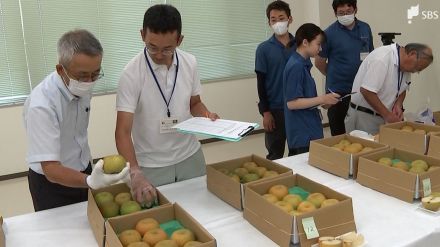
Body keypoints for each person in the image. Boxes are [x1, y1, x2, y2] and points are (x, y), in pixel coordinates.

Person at [115, 4, 219, 205]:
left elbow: (194, 102)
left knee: (203, 212)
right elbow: (122, 131)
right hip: (151, 165)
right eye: (152, 47)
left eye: (167, 48)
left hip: (190, 156)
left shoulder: (190, 63)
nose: (159, 55)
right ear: (142, 35)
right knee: (159, 222)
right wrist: (135, 172)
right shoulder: (131, 73)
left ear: (180, 40)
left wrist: (206, 115)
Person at [23, 29, 129, 212]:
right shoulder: (42, 105)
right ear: (60, 69)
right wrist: (89, 181)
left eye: (95, 74)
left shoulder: (82, 86)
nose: (89, 81)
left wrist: (89, 175)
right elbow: (51, 169)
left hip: (83, 169)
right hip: (52, 183)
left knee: (91, 225)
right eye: (82, 76)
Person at [345, 43, 433, 134]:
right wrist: (387, 114)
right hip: (364, 116)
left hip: (382, 116)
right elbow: (367, 91)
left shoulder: (405, 65)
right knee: (366, 146)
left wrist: (398, 104)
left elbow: (403, 88)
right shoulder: (382, 58)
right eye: (417, 68)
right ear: (412, 54)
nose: (415, 72)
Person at [315, 0, 374, 136]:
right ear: (335, 13)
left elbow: (371, 56)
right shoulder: (329, 33)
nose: (345, 15)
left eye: (348, 12)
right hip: (338, 93)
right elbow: (319, 62)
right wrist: (334, 74)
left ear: (355, 10)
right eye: (341, 13)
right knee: (339, 135)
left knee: (362, 134)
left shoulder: (365, 28)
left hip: (361, 90)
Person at [283, 23, 340, 156]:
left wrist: (323, 102)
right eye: (318, 44)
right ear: (305, 42)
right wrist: (322, 98)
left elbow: (305, 97)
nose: (320, 49)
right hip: (302, 134)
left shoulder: (303, 63)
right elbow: (292, 103)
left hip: (309, 129)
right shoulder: (296, 66)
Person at [255, 0, 295, 160]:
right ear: (269, 22)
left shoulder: (299, 45)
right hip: (275, 109)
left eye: (281, 18)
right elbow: (261, 82)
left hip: (297, 107)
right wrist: (265, 112)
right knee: (275, 154)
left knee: (298, 152)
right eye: (273, 19)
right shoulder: (263, 49)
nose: (278, 22)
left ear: (290, 19)